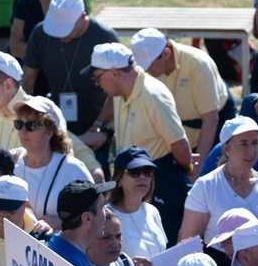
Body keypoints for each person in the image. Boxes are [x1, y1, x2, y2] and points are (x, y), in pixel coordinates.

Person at [94, 42, 194, 240]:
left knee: (162, 246)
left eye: (98, 77)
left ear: (114, 73)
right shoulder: (122, 90)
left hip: (158, 180)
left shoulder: (153, 96)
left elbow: (181, 147)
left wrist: (188, 170)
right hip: (133, 178)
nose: (96, 83)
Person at [21, 0, 120, 144]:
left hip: (95, 126)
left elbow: (119, 89)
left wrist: (99, 126)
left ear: (82, 16)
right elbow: (27, 81)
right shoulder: (41, 34)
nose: (60, 34)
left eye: (66, 28)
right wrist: (26, 119)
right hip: (53, 126)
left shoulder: (104, 36)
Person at [181, 116, 258, 247]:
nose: (251, 151)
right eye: (243, 144)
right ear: (226, 149)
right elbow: (187, 244)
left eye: (255, 143)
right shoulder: (205, 187)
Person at [128, 29, 233, 164]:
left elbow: (210, 120)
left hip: (215, 123)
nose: (146, 70)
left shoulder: (198, 65)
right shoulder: (153, 69)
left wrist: (198, 165)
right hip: (181, 127)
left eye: (149, 64)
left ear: (166, 54)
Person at [12, 94, 94, 229]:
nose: (23, 131)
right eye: (19, 124)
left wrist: (61, 222)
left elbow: (96, 215)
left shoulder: (72, 169)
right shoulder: (13, 164)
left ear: (50, 131)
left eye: (31, 125)